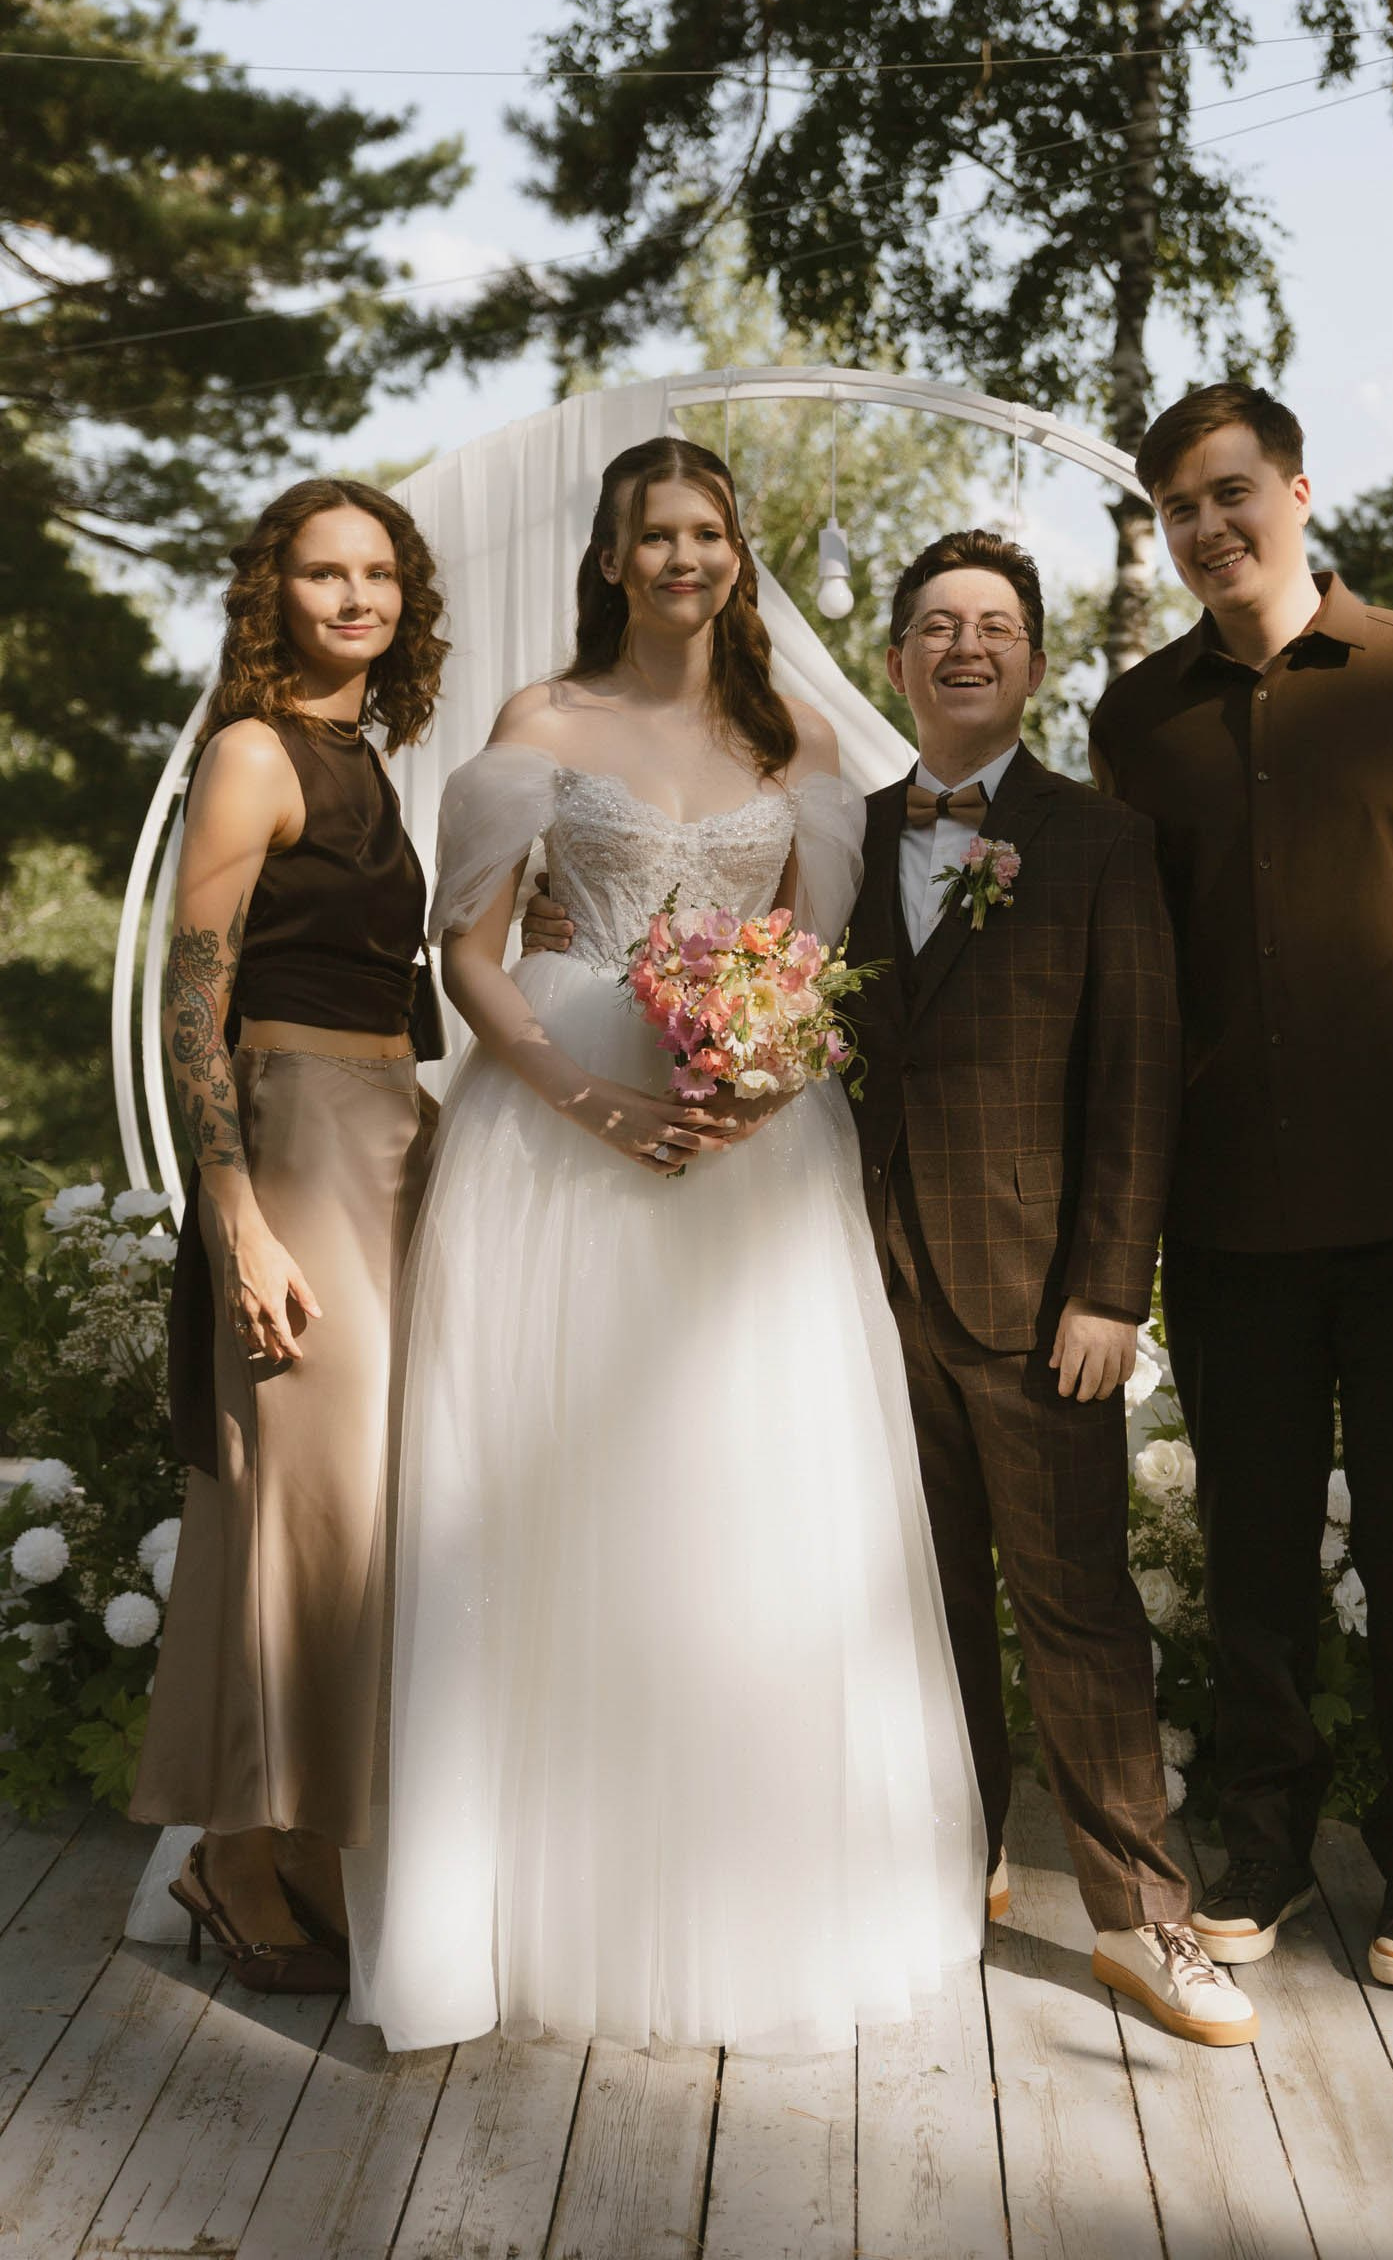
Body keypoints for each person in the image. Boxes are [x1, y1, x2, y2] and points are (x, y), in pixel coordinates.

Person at [525, 524, 1255, 2049]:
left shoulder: (1099, 844)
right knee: (909, 1603)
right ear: (897, 659)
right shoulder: (841, 835)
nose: (964, 647)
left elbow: (1137, 1086)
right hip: (846, 1289)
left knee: (1075, 1606)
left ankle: (1142, 1918)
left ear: (1034, 661)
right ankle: (949, 1861)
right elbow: (739, 993)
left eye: (994, 626)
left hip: (1034, 1296)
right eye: (936, 625)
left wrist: (1109, 1291)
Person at [348, 436, 983, 2056]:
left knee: (744, 1496)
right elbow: (469, 953)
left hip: (753, 1150)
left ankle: (753, 1893)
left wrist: (765, 1077)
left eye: (708, 531)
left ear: (736, 554)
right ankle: (531, 1905)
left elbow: (816, 958)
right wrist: (577, 1093)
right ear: (611, 558)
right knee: (552, 1503)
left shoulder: (799, 740)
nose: (684, 558)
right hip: (557, 1135)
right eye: (655, 535)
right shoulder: (543, 725)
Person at [1090, 382, 1393, 1989]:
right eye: (1178, 508)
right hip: (1227, 1214)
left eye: (1229, 492)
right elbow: (1132, 971)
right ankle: (1267, 1844)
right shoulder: (1138, 722)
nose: (1207, 527)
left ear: (1298, 492)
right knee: (1252, 1552)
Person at [130, 477, 445, 1990]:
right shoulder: (252, 751)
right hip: (297, 1139)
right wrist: (237, 1219)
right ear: (277, 593)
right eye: (326, 574)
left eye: (378, 573)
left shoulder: (364, 754)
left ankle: (307, 1834)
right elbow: (189, 1001)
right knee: (299, 1510)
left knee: (360, 1510)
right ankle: (238, 1852)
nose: (356, 597)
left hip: (386, 1133)